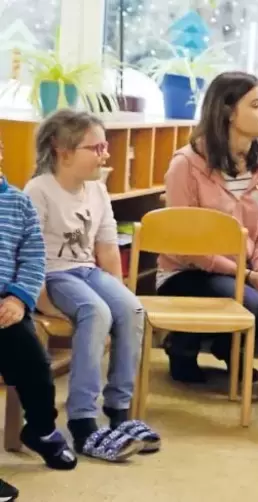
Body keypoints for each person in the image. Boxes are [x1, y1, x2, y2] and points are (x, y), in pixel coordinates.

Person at [25, 110, 160, 463]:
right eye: (96, 147)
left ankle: (119, 411)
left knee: (132, 309)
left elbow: (107, 249)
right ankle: (83, 420)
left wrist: (120, 298)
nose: (106, 154)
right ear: (62, 149)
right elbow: (30, 251)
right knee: (95, 312)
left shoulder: (98, 191)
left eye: (105, 146)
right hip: (54, 276)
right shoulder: (39, 190)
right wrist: (40, 301)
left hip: (87, 272)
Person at [157, 71, 258, 384]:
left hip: (244, 269)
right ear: (228, 111)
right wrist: (244, 274)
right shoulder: (186, 165)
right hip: (187, 270)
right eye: (256, 104)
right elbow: (182, 245)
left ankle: (224, 346)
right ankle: (184, 346)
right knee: (250, 301)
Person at [0, 135, 77, 501]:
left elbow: (33, 261)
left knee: (35, 365)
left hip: (7, 307)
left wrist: (19, 298)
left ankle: (42, 431)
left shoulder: (19, 204)